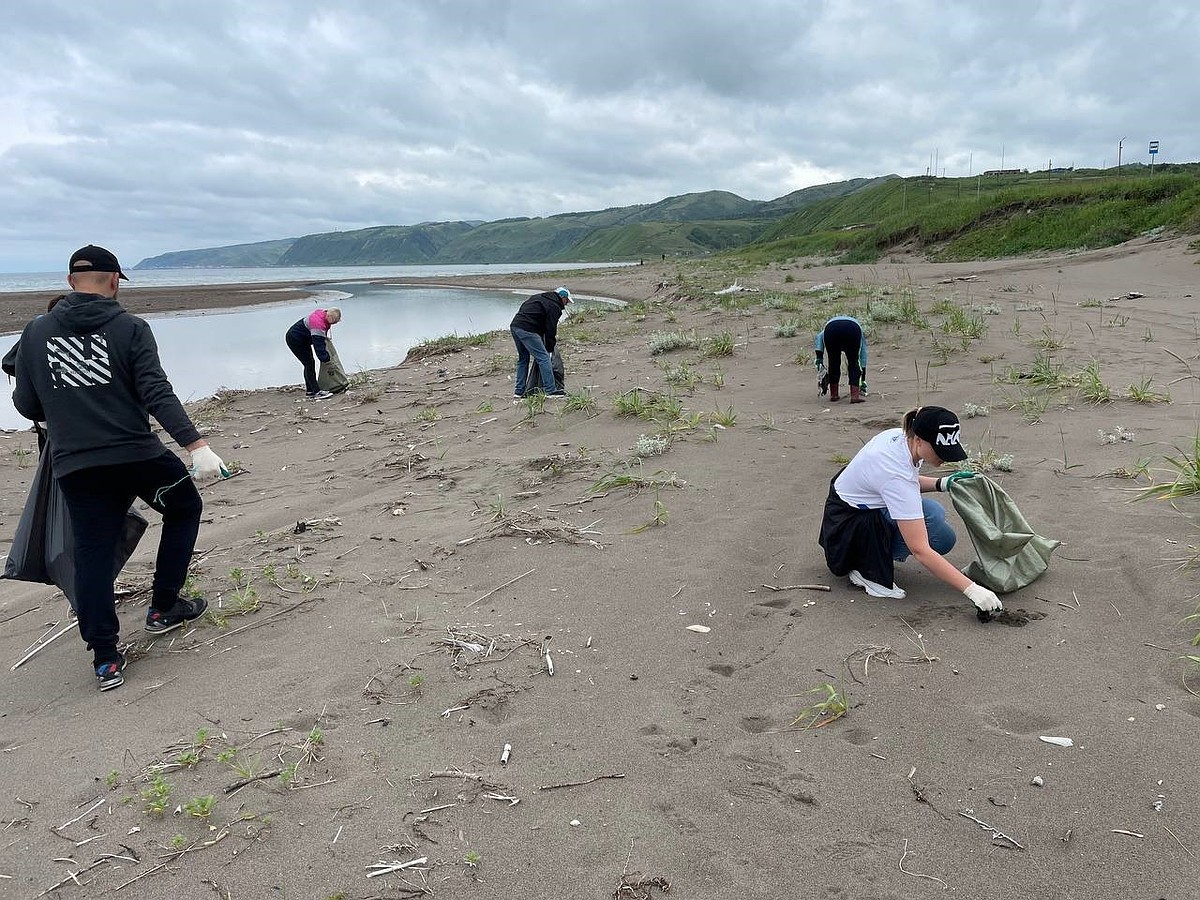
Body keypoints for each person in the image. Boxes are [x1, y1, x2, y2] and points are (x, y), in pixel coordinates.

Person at [12, 245, 227, 691]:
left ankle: (106, 659)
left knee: (92, 549)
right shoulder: (130, 327)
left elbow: (27, 404)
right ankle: (164, 605)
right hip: (137, 456)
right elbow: (156, 391)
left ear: (71, 281)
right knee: (184, 507)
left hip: (77, 464)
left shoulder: (35, 333)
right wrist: (196, 445)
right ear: (114, 281)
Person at [818, 405, 1003, 618]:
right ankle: (864, 569)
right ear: (918, 440)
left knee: (934, 515)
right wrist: (973, 590)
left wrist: (944, 483)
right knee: (936, 536)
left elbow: (901, 483)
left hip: (863, 505)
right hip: (848, 530)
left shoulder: (900, 437)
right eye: (939, 450)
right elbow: (920, 550)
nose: (944, 458)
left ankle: (877, 553)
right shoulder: (894, 472)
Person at [510, 287, 570, 399]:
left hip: (515, 326)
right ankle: (551, 391)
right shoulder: (554, 306)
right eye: (567, 301)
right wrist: (550, 348)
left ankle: (519, 392)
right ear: (562, 297)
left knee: (523, 359)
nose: (566, 304)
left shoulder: (539, 297)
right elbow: (551, 329)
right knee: (544, 358)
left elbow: (526, 310)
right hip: (528, 329)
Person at [285, 307, 342, 401]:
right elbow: (319, 347)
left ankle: (310, 391)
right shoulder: (318, 325)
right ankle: (316, 392)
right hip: (295, 340)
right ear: (330, 317)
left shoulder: (323, 314)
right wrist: (327, 361)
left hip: (302, 339)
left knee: (309, 363)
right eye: (334, 321)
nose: (335, 323)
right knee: (309, 363)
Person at [815, 315, 868, 403]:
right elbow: (863, 355)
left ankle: (834, 395)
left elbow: (819, 337)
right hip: (852, 329)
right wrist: (863, 380)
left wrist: (819, 358)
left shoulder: (826, 328)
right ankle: (854, 396)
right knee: (854, 362)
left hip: (831, 329)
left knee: (833, 362)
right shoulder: (858, 329)